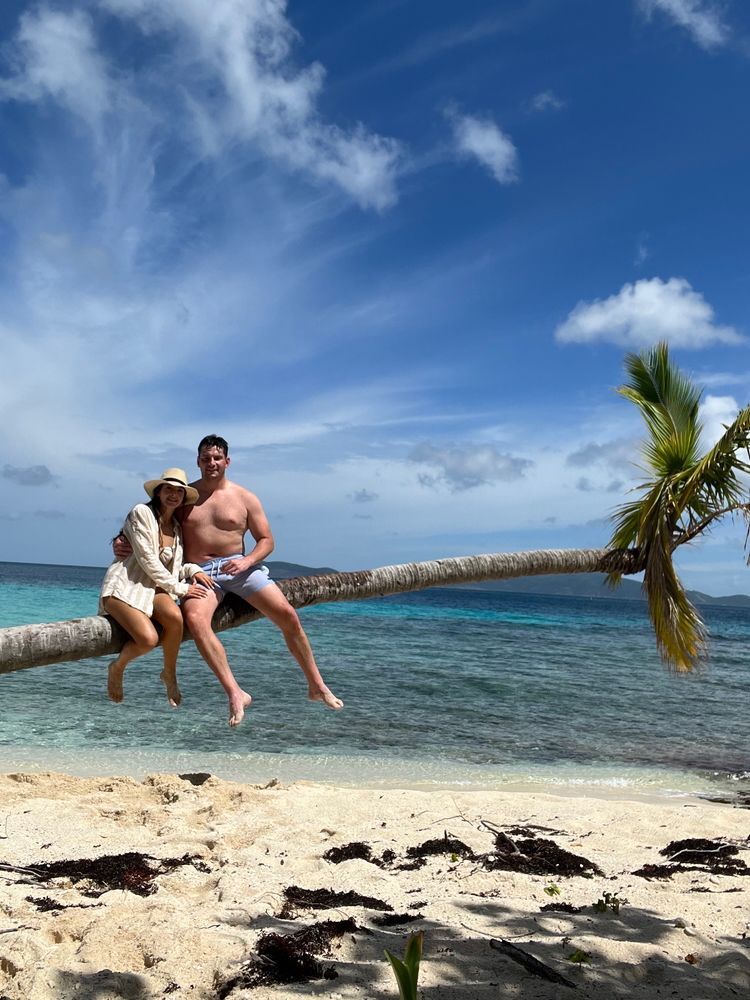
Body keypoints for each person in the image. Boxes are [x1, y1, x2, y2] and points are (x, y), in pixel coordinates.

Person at [113, 436, 343, 726]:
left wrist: (247, 561)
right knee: (195, 621)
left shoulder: (245, 498)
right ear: (198, 461)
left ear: (227, 462)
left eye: (217, 458)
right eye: (206, 458)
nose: (212, 463)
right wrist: (121, 540)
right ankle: (235, 693)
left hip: (241, 568)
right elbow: (150, 521)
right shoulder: (185, 497)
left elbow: (266, 540)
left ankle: (316, 684)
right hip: (199, 571)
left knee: (288, 615)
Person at [101, 468, 215, 708]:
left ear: (184, 497)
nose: (173, 495)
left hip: (152, 590)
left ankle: (169, 674)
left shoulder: (175, 527)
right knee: (148, 639)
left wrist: (192, 571)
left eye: (179, 491)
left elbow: (174, 567)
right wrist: (181, 590)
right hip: (124, 587)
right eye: (168, 489)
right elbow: (147, 560)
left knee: (175, 617)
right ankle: (117, 667)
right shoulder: (141, 513)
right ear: (158, 492)